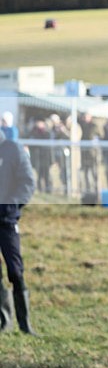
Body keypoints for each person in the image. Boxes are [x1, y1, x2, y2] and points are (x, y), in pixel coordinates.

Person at [0, 123, 37, 335]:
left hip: (6, 220)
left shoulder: (13, 149)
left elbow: (27, 183)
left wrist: (10, 205)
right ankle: (5, 320)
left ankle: (25, 324)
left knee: (15, 270)